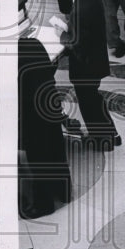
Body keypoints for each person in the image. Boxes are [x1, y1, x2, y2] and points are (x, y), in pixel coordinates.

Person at [52, 0, 121, 151]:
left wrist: (62, 35)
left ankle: (102, 142)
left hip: (85, 67)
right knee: (96, 100)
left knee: (89, 105)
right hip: (96, 62)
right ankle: (112, 134)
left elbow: (77, 45)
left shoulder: (78, 9)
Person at [18, 35, 72, 219]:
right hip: (49, 108)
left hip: (32, 116)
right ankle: (63, 192)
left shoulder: (14, 55)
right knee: (55, 152)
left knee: (38, 160)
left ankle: (43, 204)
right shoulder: (33, 44)